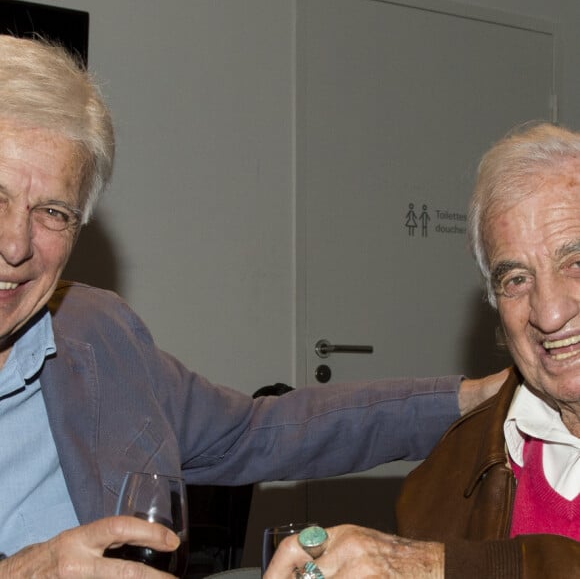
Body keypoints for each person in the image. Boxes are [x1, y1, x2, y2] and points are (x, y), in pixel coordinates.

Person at [0, 34, 503, 578]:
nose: (15, 245)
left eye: (52, 211)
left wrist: (472, 400)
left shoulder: (97, 333)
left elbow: (259, 433)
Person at [266, 122, 580, 578]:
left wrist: (438, 566)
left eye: (575, 262)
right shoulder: (447, 478)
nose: (549, 313)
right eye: (516, 279)